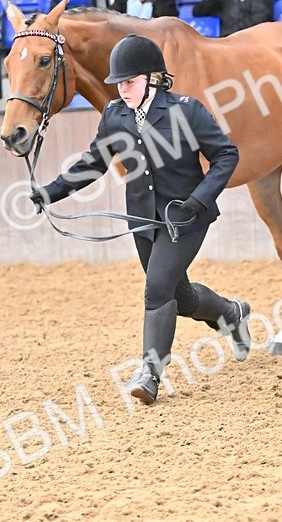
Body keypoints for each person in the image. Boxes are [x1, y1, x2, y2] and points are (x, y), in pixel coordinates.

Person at [31, 33, 251, 407]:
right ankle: (230, 312)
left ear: (152, 78)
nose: (123, 89)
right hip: (142, 221)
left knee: (157, 288)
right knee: (177, 297)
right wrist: (51, 191)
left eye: (129, 82)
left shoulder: (187, 110)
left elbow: (226, 156)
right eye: (119, 83)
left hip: (185, 219)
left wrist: (198, 201)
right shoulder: (115, 115)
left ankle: (150, 373)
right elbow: (94, 163)